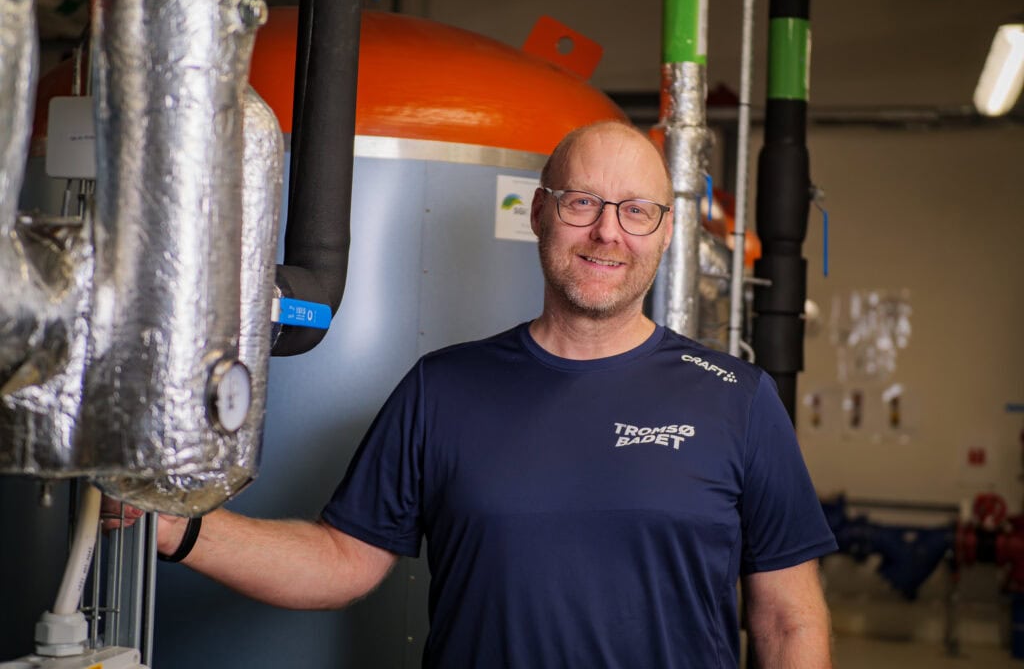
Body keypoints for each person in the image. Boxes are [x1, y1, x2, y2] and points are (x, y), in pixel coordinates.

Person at [108, 121, 837, 668]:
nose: (607, 232)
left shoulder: (736, 399)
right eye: (582, 203)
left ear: (665, 229)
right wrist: (177, 526)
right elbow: (340, 560)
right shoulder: (444, 388)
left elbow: (787, 620)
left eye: (635, 210)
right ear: (541, 213)